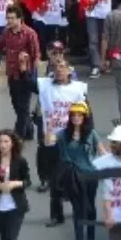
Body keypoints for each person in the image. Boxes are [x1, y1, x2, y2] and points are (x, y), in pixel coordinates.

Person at [34, 57, 86, 226]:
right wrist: (25, 68)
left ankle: (80, 210)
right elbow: (27, 82)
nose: (59, 70)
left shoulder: (78, 89)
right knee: (54, 180)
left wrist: (85, 136)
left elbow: (87, 114)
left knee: (75, 179)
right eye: (56, 68)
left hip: (72, 139)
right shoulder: (45, 86)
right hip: (52, 139)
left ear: (69, 71)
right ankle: (57, 215)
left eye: (62, 67)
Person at [0, 5, 40, 140]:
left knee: (23, 107)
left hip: (25, 75)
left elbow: (36, 56)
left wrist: (31, 75)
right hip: (12, 75)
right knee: (18, 106)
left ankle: (17, 137)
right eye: (8, 18)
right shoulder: (7, 32)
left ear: (20, 19)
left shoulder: (30, 34)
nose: (9, 21)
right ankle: (29, 131)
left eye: (12, 18)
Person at [56, 101, 102, 240]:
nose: (76, 118)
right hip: (72, 177)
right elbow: (49, 142)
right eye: (73, 115)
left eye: (79, 115)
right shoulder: (63, 134)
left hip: (90, 176)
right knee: (77, 208)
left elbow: (102, 151)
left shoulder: (92, 133)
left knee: (90, 207)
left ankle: (91, 239)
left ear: (84, 117)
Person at [0, 129, 30, 240]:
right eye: (0, 142)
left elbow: (27, 181)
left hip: (16, 206)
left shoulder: (20, 161)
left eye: (6, 141)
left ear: (12, 143)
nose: (3, 145)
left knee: (11, 238)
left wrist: (14, 184)